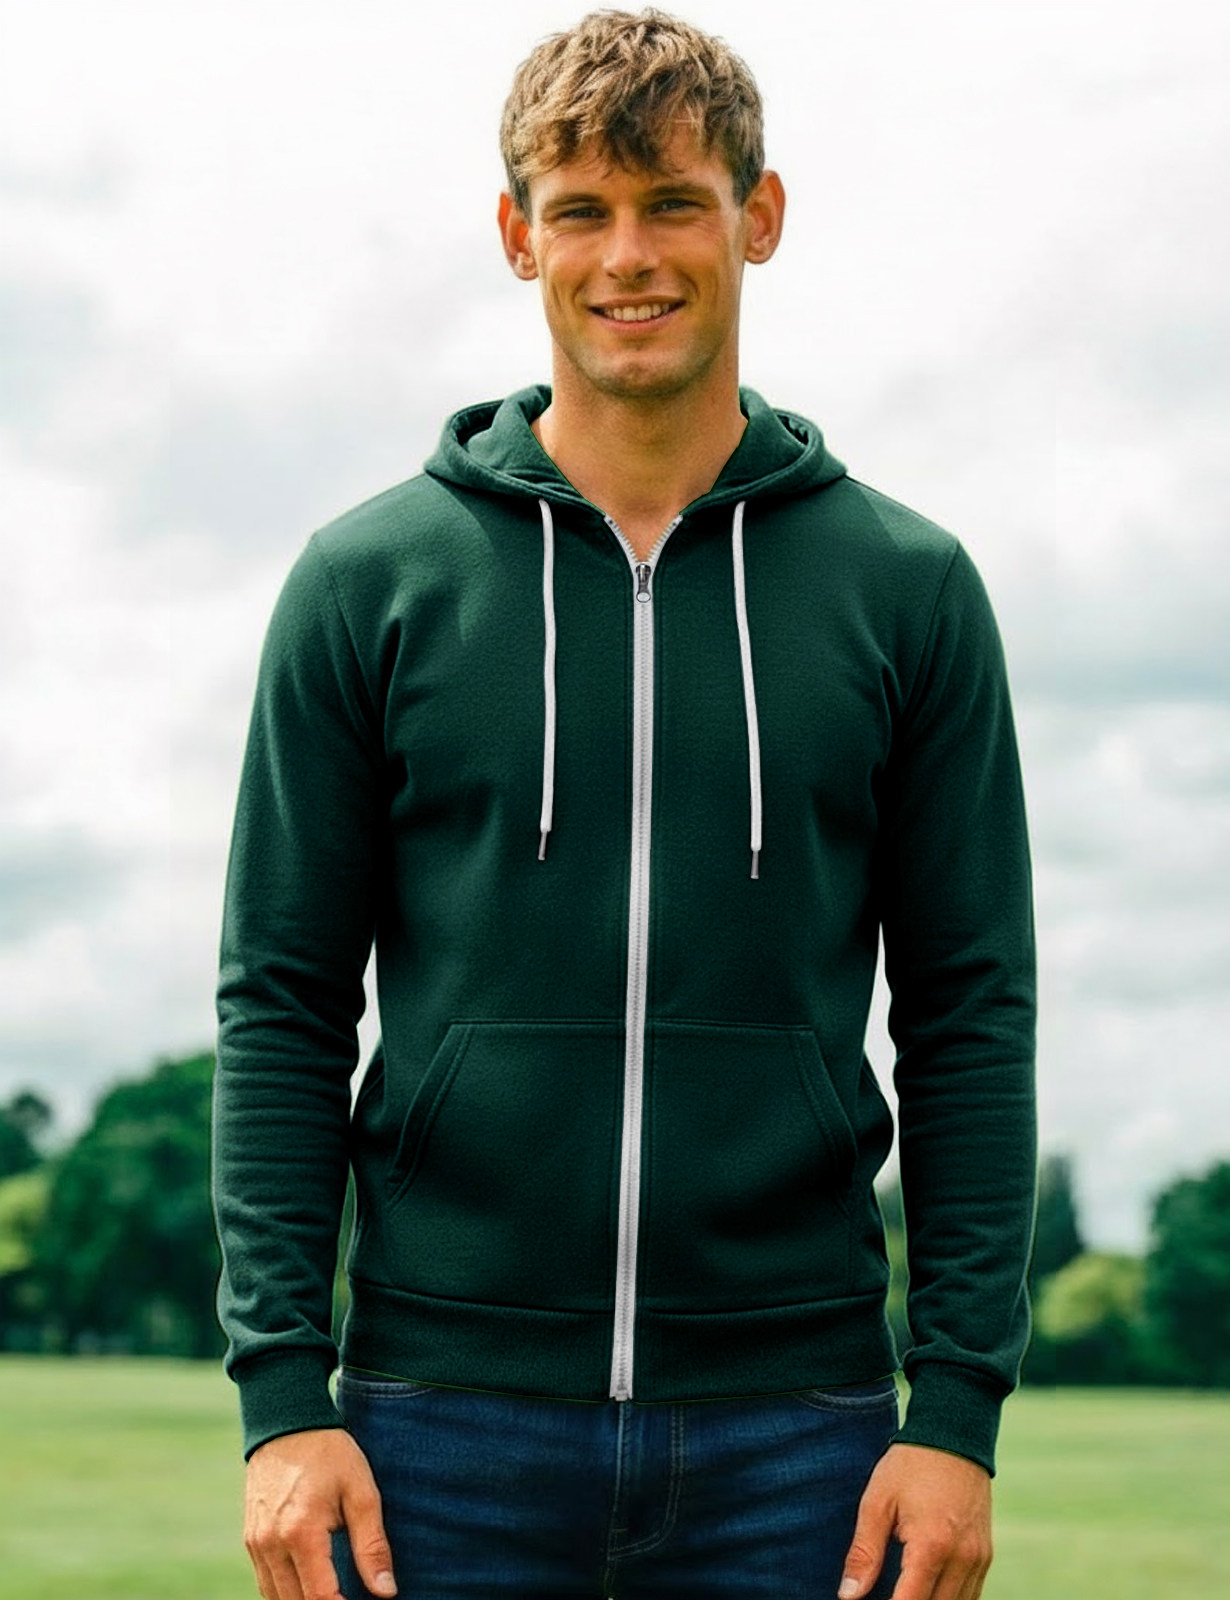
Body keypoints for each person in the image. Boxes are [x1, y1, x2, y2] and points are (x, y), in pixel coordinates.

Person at [212, 9, 1037, 1599]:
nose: (628, 257)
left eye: (673, 203)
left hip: (798, 1431)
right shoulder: (367, 581)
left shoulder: (906, 588)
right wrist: (280, 1399)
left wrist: (956, 1410)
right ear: (517, 235)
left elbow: (968, 1013)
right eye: (580, 210)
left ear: (759, 217)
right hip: (432, 1421)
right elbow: (283, 1001)